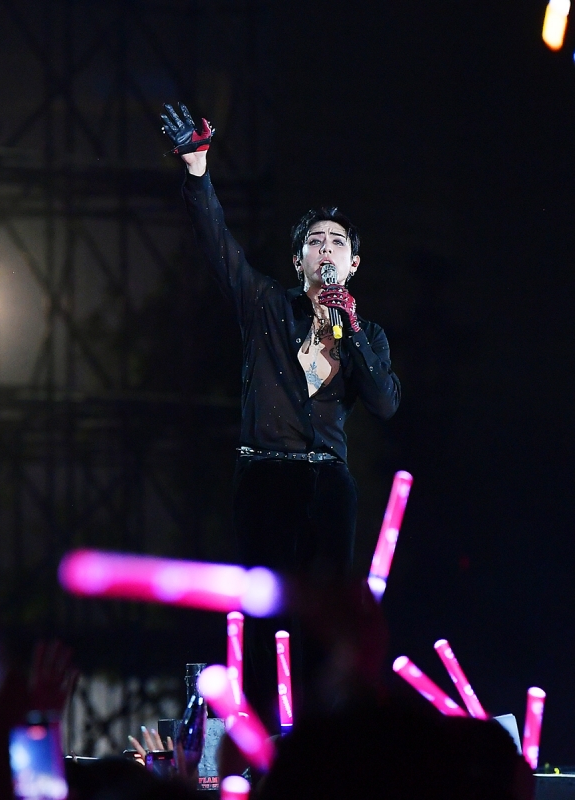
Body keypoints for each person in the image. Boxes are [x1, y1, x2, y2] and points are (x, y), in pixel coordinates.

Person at [161, 103, 401, 727]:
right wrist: (197, 170)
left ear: (353, 264)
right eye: (315, 242)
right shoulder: (267, 305)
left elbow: (384, 402)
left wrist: (349, 332)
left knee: (327, 617)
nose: (326, 250)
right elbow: (218, 246)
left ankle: (326, 733)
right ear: (299, 261)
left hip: (328, 484)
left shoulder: (367, 334)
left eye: (338, 243)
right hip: (266, 476)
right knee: (265, 612)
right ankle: (261, 733)